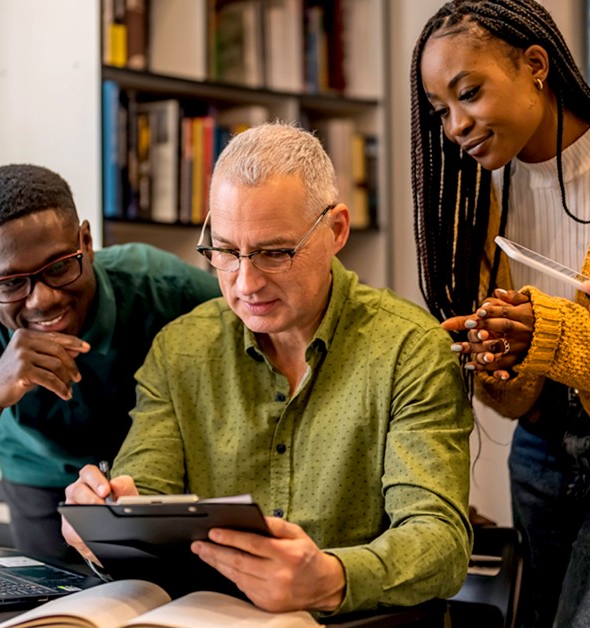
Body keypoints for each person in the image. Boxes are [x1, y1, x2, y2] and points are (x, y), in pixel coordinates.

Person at [60, 122, 474, 618]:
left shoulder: (409, 349)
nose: (246, 282)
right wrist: (110, 518)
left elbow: (440, 541)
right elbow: (144, 487)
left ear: (336, 230)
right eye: (226, 252)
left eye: (275, 253)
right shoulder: (182, 349)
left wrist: (333, 579)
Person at [0, 163, 222, 561]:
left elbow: (258, 337)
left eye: (58, 267)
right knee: (55, 606)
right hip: (40, 482)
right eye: (11, 283)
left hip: (154, 475)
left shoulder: (163, 289)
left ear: (86, 242)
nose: (43, 299)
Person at [409, 1, 589, 625]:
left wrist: (546, 329)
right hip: (538, 447)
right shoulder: (473, 200)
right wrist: (498, 351)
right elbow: (507, 381)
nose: (455, 124)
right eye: (441, 111)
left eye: (470, 93)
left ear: (536, 65)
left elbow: (561, 331)